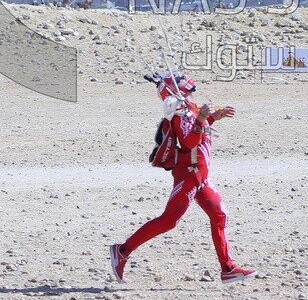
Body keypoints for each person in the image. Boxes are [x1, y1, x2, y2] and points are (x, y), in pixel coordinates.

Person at [110, 74, 257, 284]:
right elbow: (189, 142)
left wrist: (214, 116)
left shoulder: (189, 110)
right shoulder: (179, 115)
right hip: (190, 173)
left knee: (219, 215)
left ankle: (228, 268)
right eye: (185, 90)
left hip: (200, 176)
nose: (189, 92)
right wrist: (200, 119)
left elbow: (201, 127)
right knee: (169, 220)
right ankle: (122, 251)